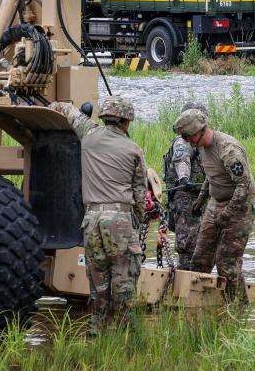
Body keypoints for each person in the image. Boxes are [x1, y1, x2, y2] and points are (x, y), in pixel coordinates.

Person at [50, 96, 146, 333]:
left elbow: (67, 110)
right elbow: (140, 196)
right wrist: (138, 221)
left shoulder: (89, 135)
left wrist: (52, 106)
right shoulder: (134, 150)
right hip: (120, 220)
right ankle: (126, 335)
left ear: (104, 117)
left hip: (91, 220)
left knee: (97, 281)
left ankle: (96, 329)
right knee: (123, 280)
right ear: (126, 121)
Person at [172, 108, 255, 304]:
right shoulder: (200, 147)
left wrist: (226, 215)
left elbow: (243, 187)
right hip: (215, 202)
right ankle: (196, 305)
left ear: (198, 132)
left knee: (227, 263)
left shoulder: (228, 149)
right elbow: (212, 177)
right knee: (200, 258)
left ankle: (238, 307)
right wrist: (201, 200)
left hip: (240, 207)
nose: (186, 141)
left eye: (187, 136)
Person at [163, 102, 207, 269]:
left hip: (198, 198)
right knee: (188, 245)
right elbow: (182, 160)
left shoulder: (200, 142)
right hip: (186, 198)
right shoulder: (182, 142)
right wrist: (184, 179)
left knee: (198, 243)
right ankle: (186, 279)